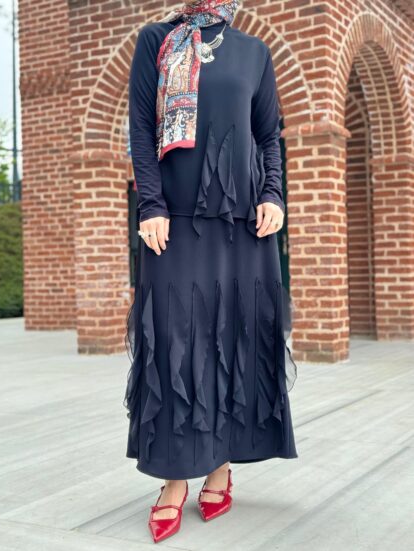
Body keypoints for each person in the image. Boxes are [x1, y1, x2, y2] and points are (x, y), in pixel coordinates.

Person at [124, 0, 298, 543]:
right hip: (175, 220)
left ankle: (221, 466)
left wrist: (274, 195)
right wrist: (150, 204)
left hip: (245, 224)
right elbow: (141, 128)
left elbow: (268, 135)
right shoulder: (156, 40)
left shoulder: (254, 52)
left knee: (236, 338)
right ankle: (175, 477)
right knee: (174, 341)